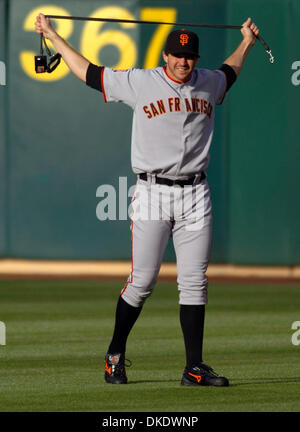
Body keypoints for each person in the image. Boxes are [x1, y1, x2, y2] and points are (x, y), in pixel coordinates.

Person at [35, 14, 259, 387]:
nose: (183, 62)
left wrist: (248, 42)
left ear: (195, 59)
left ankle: (193, 367)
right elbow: (91, 74)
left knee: (194, 282)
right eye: (176, 55)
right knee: (142, 281)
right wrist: (53, 36)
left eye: (189, 57)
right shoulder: (142, 82)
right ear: (165, 56)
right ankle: (115, 355)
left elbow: (229, 72)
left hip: (195, 193)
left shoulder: (209, 82)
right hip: (153, 191)